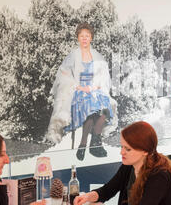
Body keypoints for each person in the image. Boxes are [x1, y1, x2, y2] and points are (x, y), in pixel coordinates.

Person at [74, 121, 171, 205]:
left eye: (128, 149)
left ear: (145, 151)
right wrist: (88, 197)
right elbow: (108, 190)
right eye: (122, 147)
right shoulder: (130, 166)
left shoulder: (159, 176)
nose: (121, 152)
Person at [46, 22, 118, 160]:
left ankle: (94, 140)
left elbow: (103, 77)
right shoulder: (73, 56)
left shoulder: (97, 56)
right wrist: (78, 86)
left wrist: (94, 87)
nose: (84, 38)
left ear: (91, 38)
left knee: (105, 108)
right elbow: (64, 74)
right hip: (77, 90)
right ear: (78, 38)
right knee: (89, 106)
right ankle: (84, 144)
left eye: (87, 35)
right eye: (82, 36)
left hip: (94, 89)